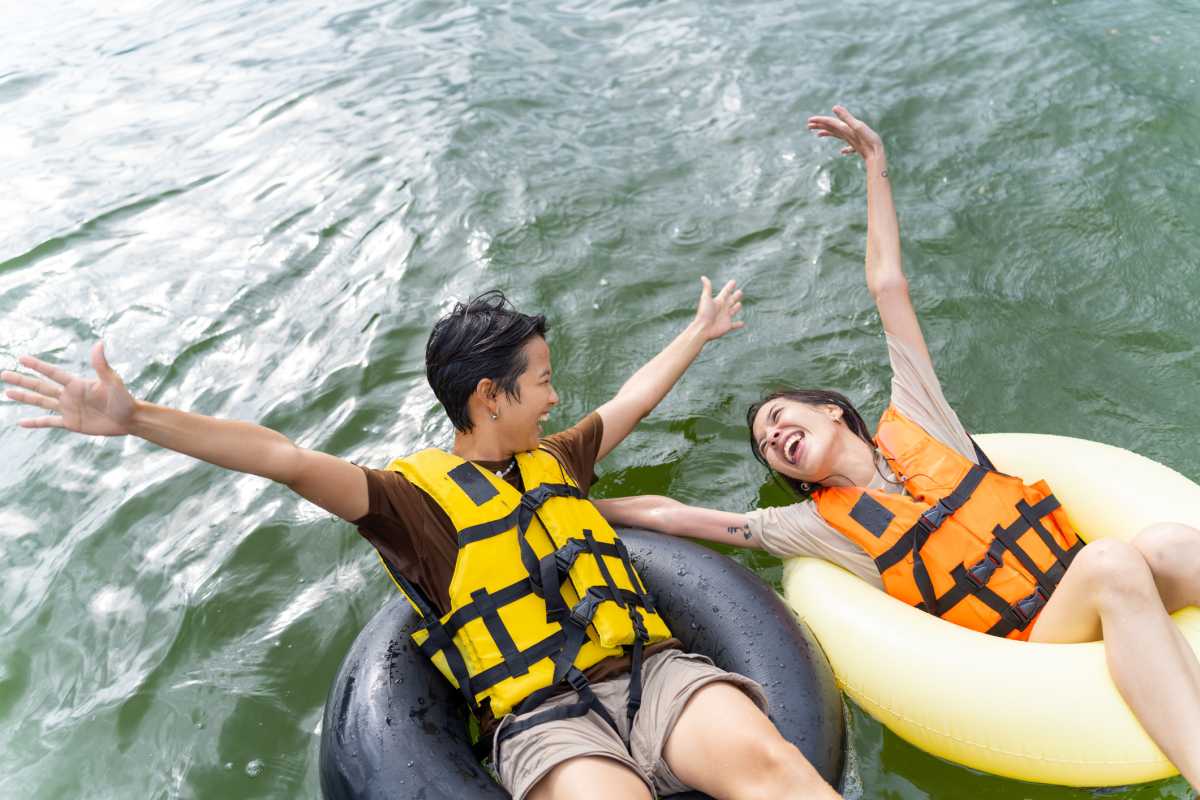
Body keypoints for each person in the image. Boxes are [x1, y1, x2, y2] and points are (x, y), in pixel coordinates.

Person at [2, 281, 841, 800]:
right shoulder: (409, 506)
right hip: (547, 721)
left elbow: (633, 400)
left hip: (654, 675)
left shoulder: (559, 457)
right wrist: (137, 418)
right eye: (542, 381)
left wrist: (697, 333)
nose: (554, 398)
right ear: (490, 397)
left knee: (775, 771)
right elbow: (283, 458)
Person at [597, 106, 1200, 790]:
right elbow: (675, 516)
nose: (772, 435)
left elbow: (888, 285)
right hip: (1029, 648)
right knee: (1117, 562)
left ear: (830, 410)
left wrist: (875, 165)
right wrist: (574, 502)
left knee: (1175, 546)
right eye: (766, 444)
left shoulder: (920, 415)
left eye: (777, 417)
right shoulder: (811, 526)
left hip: (1078, 585)